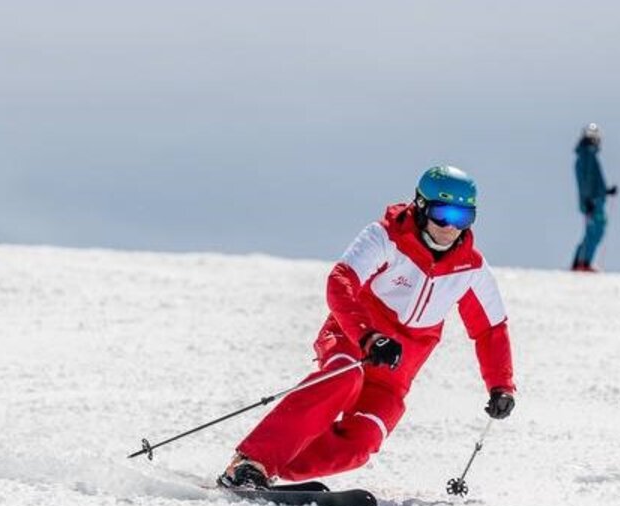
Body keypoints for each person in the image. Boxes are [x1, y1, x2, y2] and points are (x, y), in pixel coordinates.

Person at [219, 166, 518, 489]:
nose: (450, 227)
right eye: (442, 214)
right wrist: (368, 337)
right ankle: (253, 462)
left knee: (363, 440)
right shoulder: (386, 237)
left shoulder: (471, 268)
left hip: (396, 372)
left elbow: (490, 330)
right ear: (420, 206)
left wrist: (501, 384)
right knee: (343, 377)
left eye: (462, 218)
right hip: (354, 339)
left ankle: (267, 473)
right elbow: (341, 280)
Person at [571, 123, 618, 272]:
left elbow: (594, 182)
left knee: (593, 232)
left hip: (594, 200)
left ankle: (581, 262)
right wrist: (588, 200)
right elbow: (587, 181)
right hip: (593, 202)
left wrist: (606, 191)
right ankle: (582, 263)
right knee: (595, 231)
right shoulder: (588, 155)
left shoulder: (585, 156)